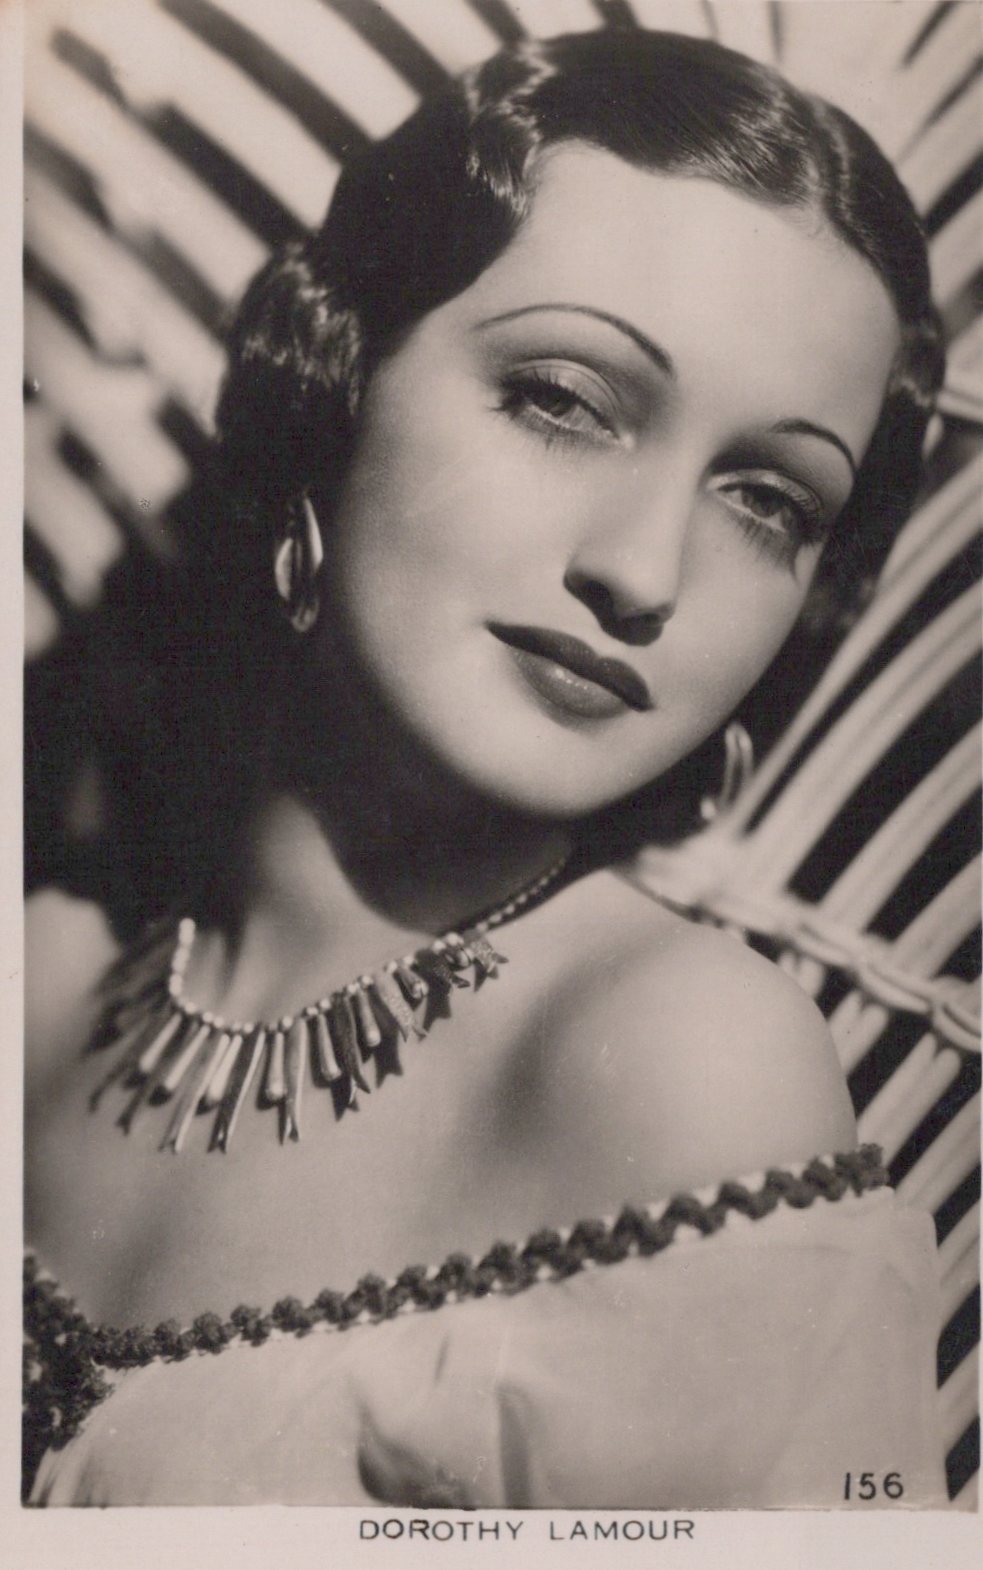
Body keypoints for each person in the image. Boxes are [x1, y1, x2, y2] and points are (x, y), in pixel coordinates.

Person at [24, 29, 948, 1507]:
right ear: (338, 385)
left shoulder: (685, 1070)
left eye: (769, 500)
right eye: (565, 398)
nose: (644, 570)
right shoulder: (48, 970)